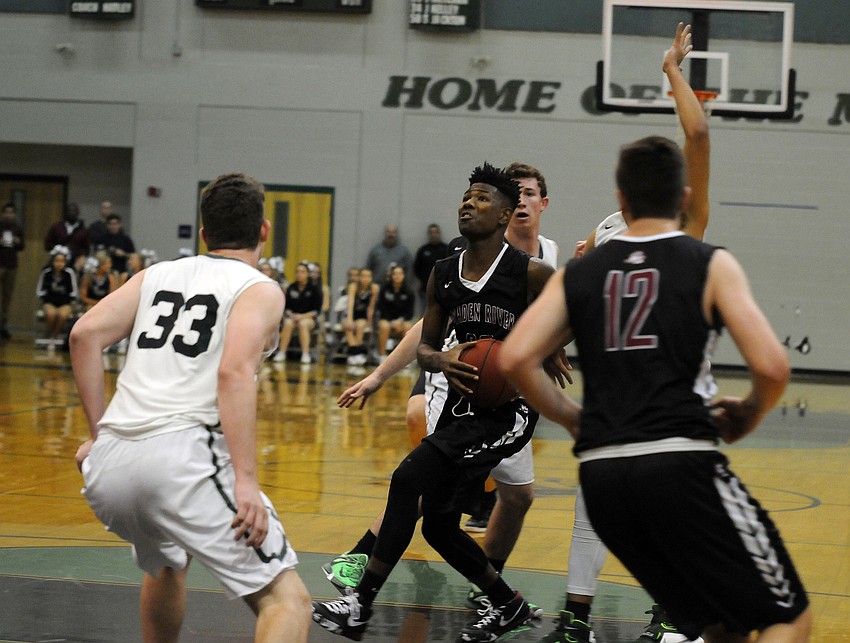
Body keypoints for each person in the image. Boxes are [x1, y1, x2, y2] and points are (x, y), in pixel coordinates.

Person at [499, 135, 812, 643]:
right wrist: (748, 415)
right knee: (787, 619)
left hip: (604, 480)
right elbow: (774, 369)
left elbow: (515, 358)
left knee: (719, 625)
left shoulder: (579, 273)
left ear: (621, 199)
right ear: (684, 199)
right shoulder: (707, 260)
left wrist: (574, 417)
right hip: (679, 460)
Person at [312, 162, 560, 642]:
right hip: (458, 408)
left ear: (507, 212)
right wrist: (441, 359)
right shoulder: (444, 274)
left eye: (483, 198)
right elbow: (425, 347)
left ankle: (359, 603)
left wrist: (553, 348)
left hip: (506, 413)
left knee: (408, 480)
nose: (469, 203)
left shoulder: (531, 272)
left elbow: (571, 311)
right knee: (440, 528)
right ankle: (508, 606)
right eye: (467, 197)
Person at [69, 172, 312, 643]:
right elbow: (234, 373)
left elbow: (83, 335)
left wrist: (101, 437)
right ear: (264, 230)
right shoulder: (258, 287)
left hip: (113, 466)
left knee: (166, 563)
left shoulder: (155, 274)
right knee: (287, 601)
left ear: (203, 234)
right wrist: (245, 480)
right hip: (182, 459)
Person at [550, 24, 712, 643]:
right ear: (683, 195)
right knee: (674, 519)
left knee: (595, 513)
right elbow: (696, 134)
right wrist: (673, 71)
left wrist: (564, 404)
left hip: (610, 407)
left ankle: (576, 619)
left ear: (626, 193)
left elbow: (527, 348)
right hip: (671, 411)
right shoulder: (689, 240)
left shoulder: (605, 245)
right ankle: (670, 613)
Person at [275, 261, 323, 364]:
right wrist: (291, 315)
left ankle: (305, 354)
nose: (299, 274)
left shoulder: (314, 289)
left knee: (302, 324)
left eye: (302, 272)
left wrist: (302, 316)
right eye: (297, 272)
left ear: (307, 274)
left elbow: (316, 311)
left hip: (309, 319)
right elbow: (286, 307)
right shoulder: (292, 287)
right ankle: (282, 352)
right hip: (293, 317)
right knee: (287, 323)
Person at [35, 247, 79, 344]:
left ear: (65, 262)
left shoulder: (69, 273)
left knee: (62, 315)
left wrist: (67, 301)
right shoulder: (46, 272)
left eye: (62, 261)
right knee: (51, 314)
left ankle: (55, 335)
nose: (59, 264)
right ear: (52, 261)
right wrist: (47, 299)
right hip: (49, 301)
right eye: (57, 261)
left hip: (65, 302)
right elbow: (40, 291)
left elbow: (74, 292)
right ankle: (51, 334)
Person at [376, 264, 415, 362]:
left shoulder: (409, 291)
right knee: (384, 326)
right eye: (395, 274)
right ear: (391, 276)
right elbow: (382, 308)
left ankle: (404, 358)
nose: (397, 276)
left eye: (399, 274)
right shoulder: (384, 289)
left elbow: (409, 312)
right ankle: (382, 355)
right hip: (387, 319)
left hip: (402, 320)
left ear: (403, 275)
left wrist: (399, 321)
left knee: (408, 327)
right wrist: (391, 321)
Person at [343, 267, 379, 365]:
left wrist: (369, 321)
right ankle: (354, 353)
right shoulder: (353, 286)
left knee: (360, 325)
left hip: (362, 316)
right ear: (359, 277)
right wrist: (349, 319)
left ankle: (355, 353)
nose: (365, 278)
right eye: (363, 276)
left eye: (368, 276)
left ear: (371, 278)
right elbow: (350, 303)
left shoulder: (374, 288)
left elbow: (371, 307)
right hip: (351, 314)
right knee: (348, 326)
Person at [0, 202, 25, 340]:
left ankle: (3, 326)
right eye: (7, 212)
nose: (9, 215)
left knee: (7, 297)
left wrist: (17, 241)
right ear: (3, 213)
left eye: (11, 212)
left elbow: (22, 246)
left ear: (14, 214)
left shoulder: (17, 228)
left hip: (11, 265)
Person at [412, 223, 449, 311]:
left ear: (439, 233)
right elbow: (416, 269)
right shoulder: (423, 250)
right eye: (431, 233)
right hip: (425, 289)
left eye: (435, 232)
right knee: (424, 314)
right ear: (429, 234)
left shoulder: (446, 249)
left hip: (444, 289)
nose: (433, 235)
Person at [44, 202, 89, 267]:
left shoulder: (83, 231)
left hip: (75, 262)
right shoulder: (56, 227)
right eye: (69, 211)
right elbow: (47, 244)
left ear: (78, 213)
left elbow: (86, 250)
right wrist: (57, 248)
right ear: (65, 212)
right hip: (57, 261)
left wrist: (76, 253)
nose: (71, 213)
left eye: (74, 211)